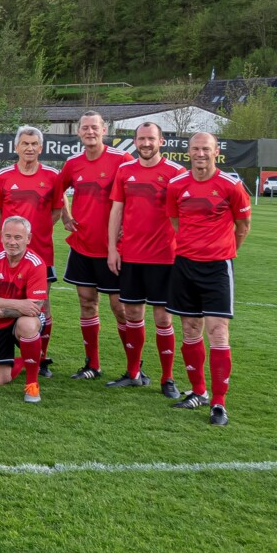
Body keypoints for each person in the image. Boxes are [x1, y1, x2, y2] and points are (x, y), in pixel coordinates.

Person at [165, 132, 251, 426]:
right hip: (185, 264)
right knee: (190, 328)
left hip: (217, 267)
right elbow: (176, 222)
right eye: (195, 149)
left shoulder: (231, 185)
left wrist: (224, 251)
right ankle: (198, 392)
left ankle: (219, 403)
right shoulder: (177, 185)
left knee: (217, 331)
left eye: (206, 149)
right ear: (188, 153)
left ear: (217, 152)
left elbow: (243, 225)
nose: (200, 154)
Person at [107, 122, 185, 396]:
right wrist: (112, 249)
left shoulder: (176, 173)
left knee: (163, 318)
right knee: (132, 314)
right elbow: (116, 210)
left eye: (151, 138)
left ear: (161, 141)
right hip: (131, 255)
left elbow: (183, 215)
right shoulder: (124, 171)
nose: (146, 143)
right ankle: (133, 373)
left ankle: (167, 379)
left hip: (165, 257)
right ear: (135, 141)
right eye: (141, 138)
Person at [58, 111, 135, 380]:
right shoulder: (72, 163)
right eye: (85, 128)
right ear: (78, 132)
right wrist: (66, 215)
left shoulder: (121, 159)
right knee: (87, 302)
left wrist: (130, 222)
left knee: (120, 308)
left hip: (114, 248)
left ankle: (133, 369)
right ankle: (93, 365)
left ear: (104, 130)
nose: (90, 132)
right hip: (82, 245)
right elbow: (57, 190)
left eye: (95, 127)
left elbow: (135, 190)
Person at [0, 125, 62, 376]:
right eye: (25, 143)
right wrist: (13, 238)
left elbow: (57, 210)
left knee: (43, 306)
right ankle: (1, 350)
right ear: (16, 147)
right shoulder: (2, 176)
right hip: (7, 255)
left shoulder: (53, 176)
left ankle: (40, 358)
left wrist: (36, 234)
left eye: (34, 144)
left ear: (41, 148)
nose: (30, 148)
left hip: (42, 252)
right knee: (3, 301)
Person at [0, 216, 50, 403]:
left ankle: (32, 385)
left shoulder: (36, 264)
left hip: (22, 320)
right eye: (8, 236)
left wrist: (2, 310)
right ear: (1, 236)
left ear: (28, 238)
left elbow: (34, 308)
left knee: (27, 324)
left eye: (18, 237)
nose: (12, 242)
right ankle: (24, 361)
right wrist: (19, 304)